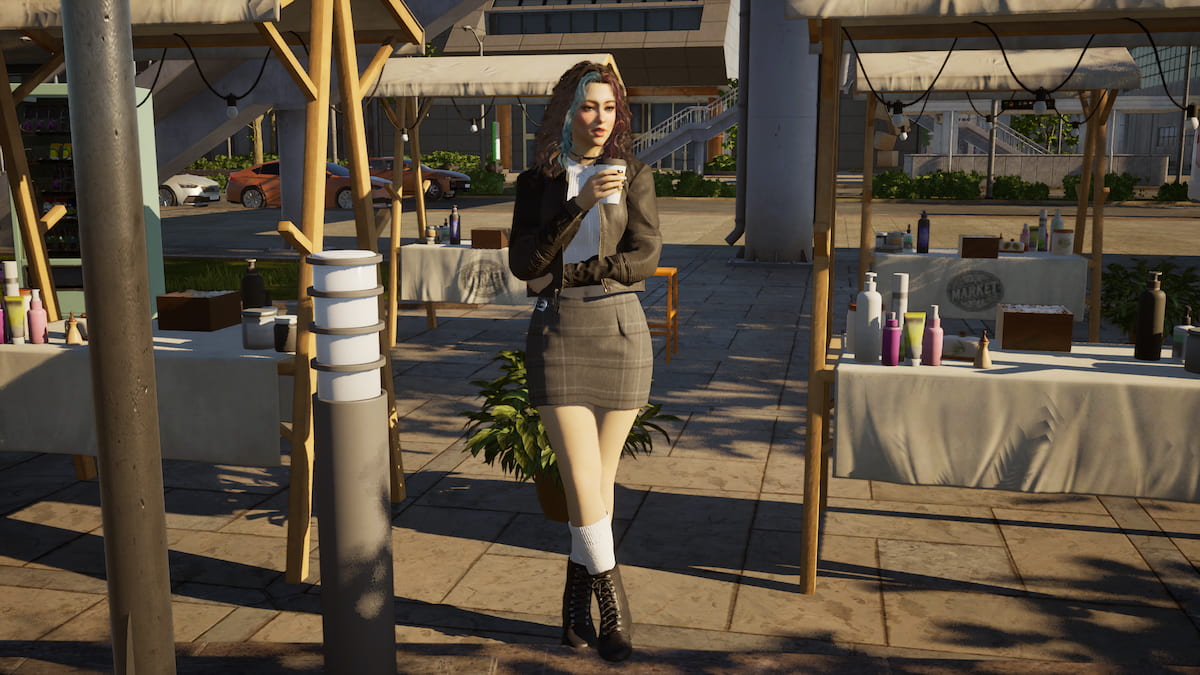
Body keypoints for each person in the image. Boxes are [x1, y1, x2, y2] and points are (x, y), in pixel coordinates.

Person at [508, 61, 661, 663]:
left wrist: (573, 273)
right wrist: (577, 203)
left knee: (598, 485)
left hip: (621, 330)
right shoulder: (537, 183)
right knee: (579, 478)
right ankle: (614, 607)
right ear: (567, 113)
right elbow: (525, 265)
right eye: (588, 107)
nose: (600, 119)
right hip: (558, 332)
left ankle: (574, 605)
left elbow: (644, 257)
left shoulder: (638, 173)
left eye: (609, 108)